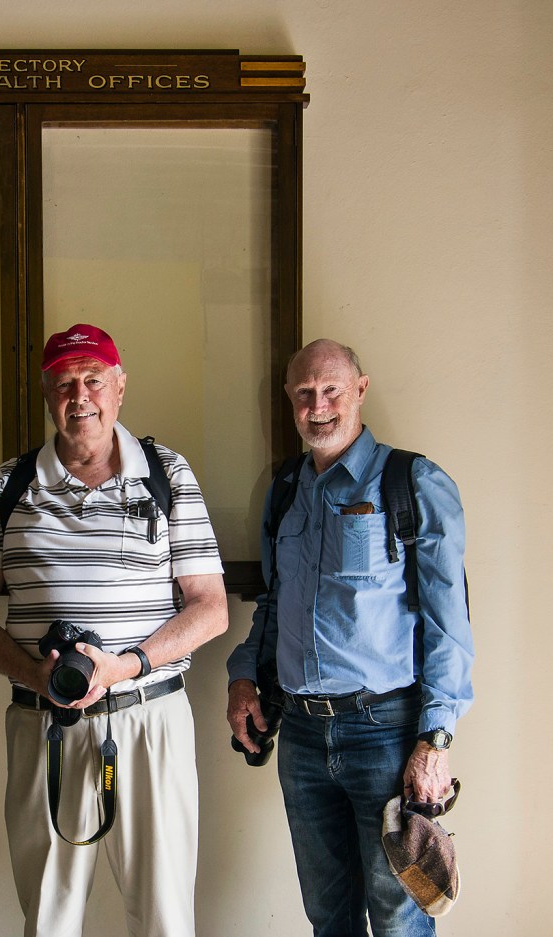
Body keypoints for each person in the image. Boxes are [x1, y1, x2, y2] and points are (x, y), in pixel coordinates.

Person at [0, 323, 229, 937]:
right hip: (45, 719)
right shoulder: (10, 485)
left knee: (165, 918)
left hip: (150, 718)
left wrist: (123, 665)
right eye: (64, 384)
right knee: (49, 916)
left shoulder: (168, 473)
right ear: (48, 396)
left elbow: (212, 608)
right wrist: (33, 673)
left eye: (93, 380)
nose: (80, 396)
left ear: (120, 387)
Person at [226, 339, 474, 936]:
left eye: (332, 389)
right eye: (305, 393)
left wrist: (435, 739)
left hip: (388, 738)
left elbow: (450, 624)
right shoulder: (284, 489)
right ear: (290, 398)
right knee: (327, 918)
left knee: (400, 922)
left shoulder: (413, 482)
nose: (319, 405)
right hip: (303, 740)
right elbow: (274, 604)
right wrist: (242, 675)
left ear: (360, 389)